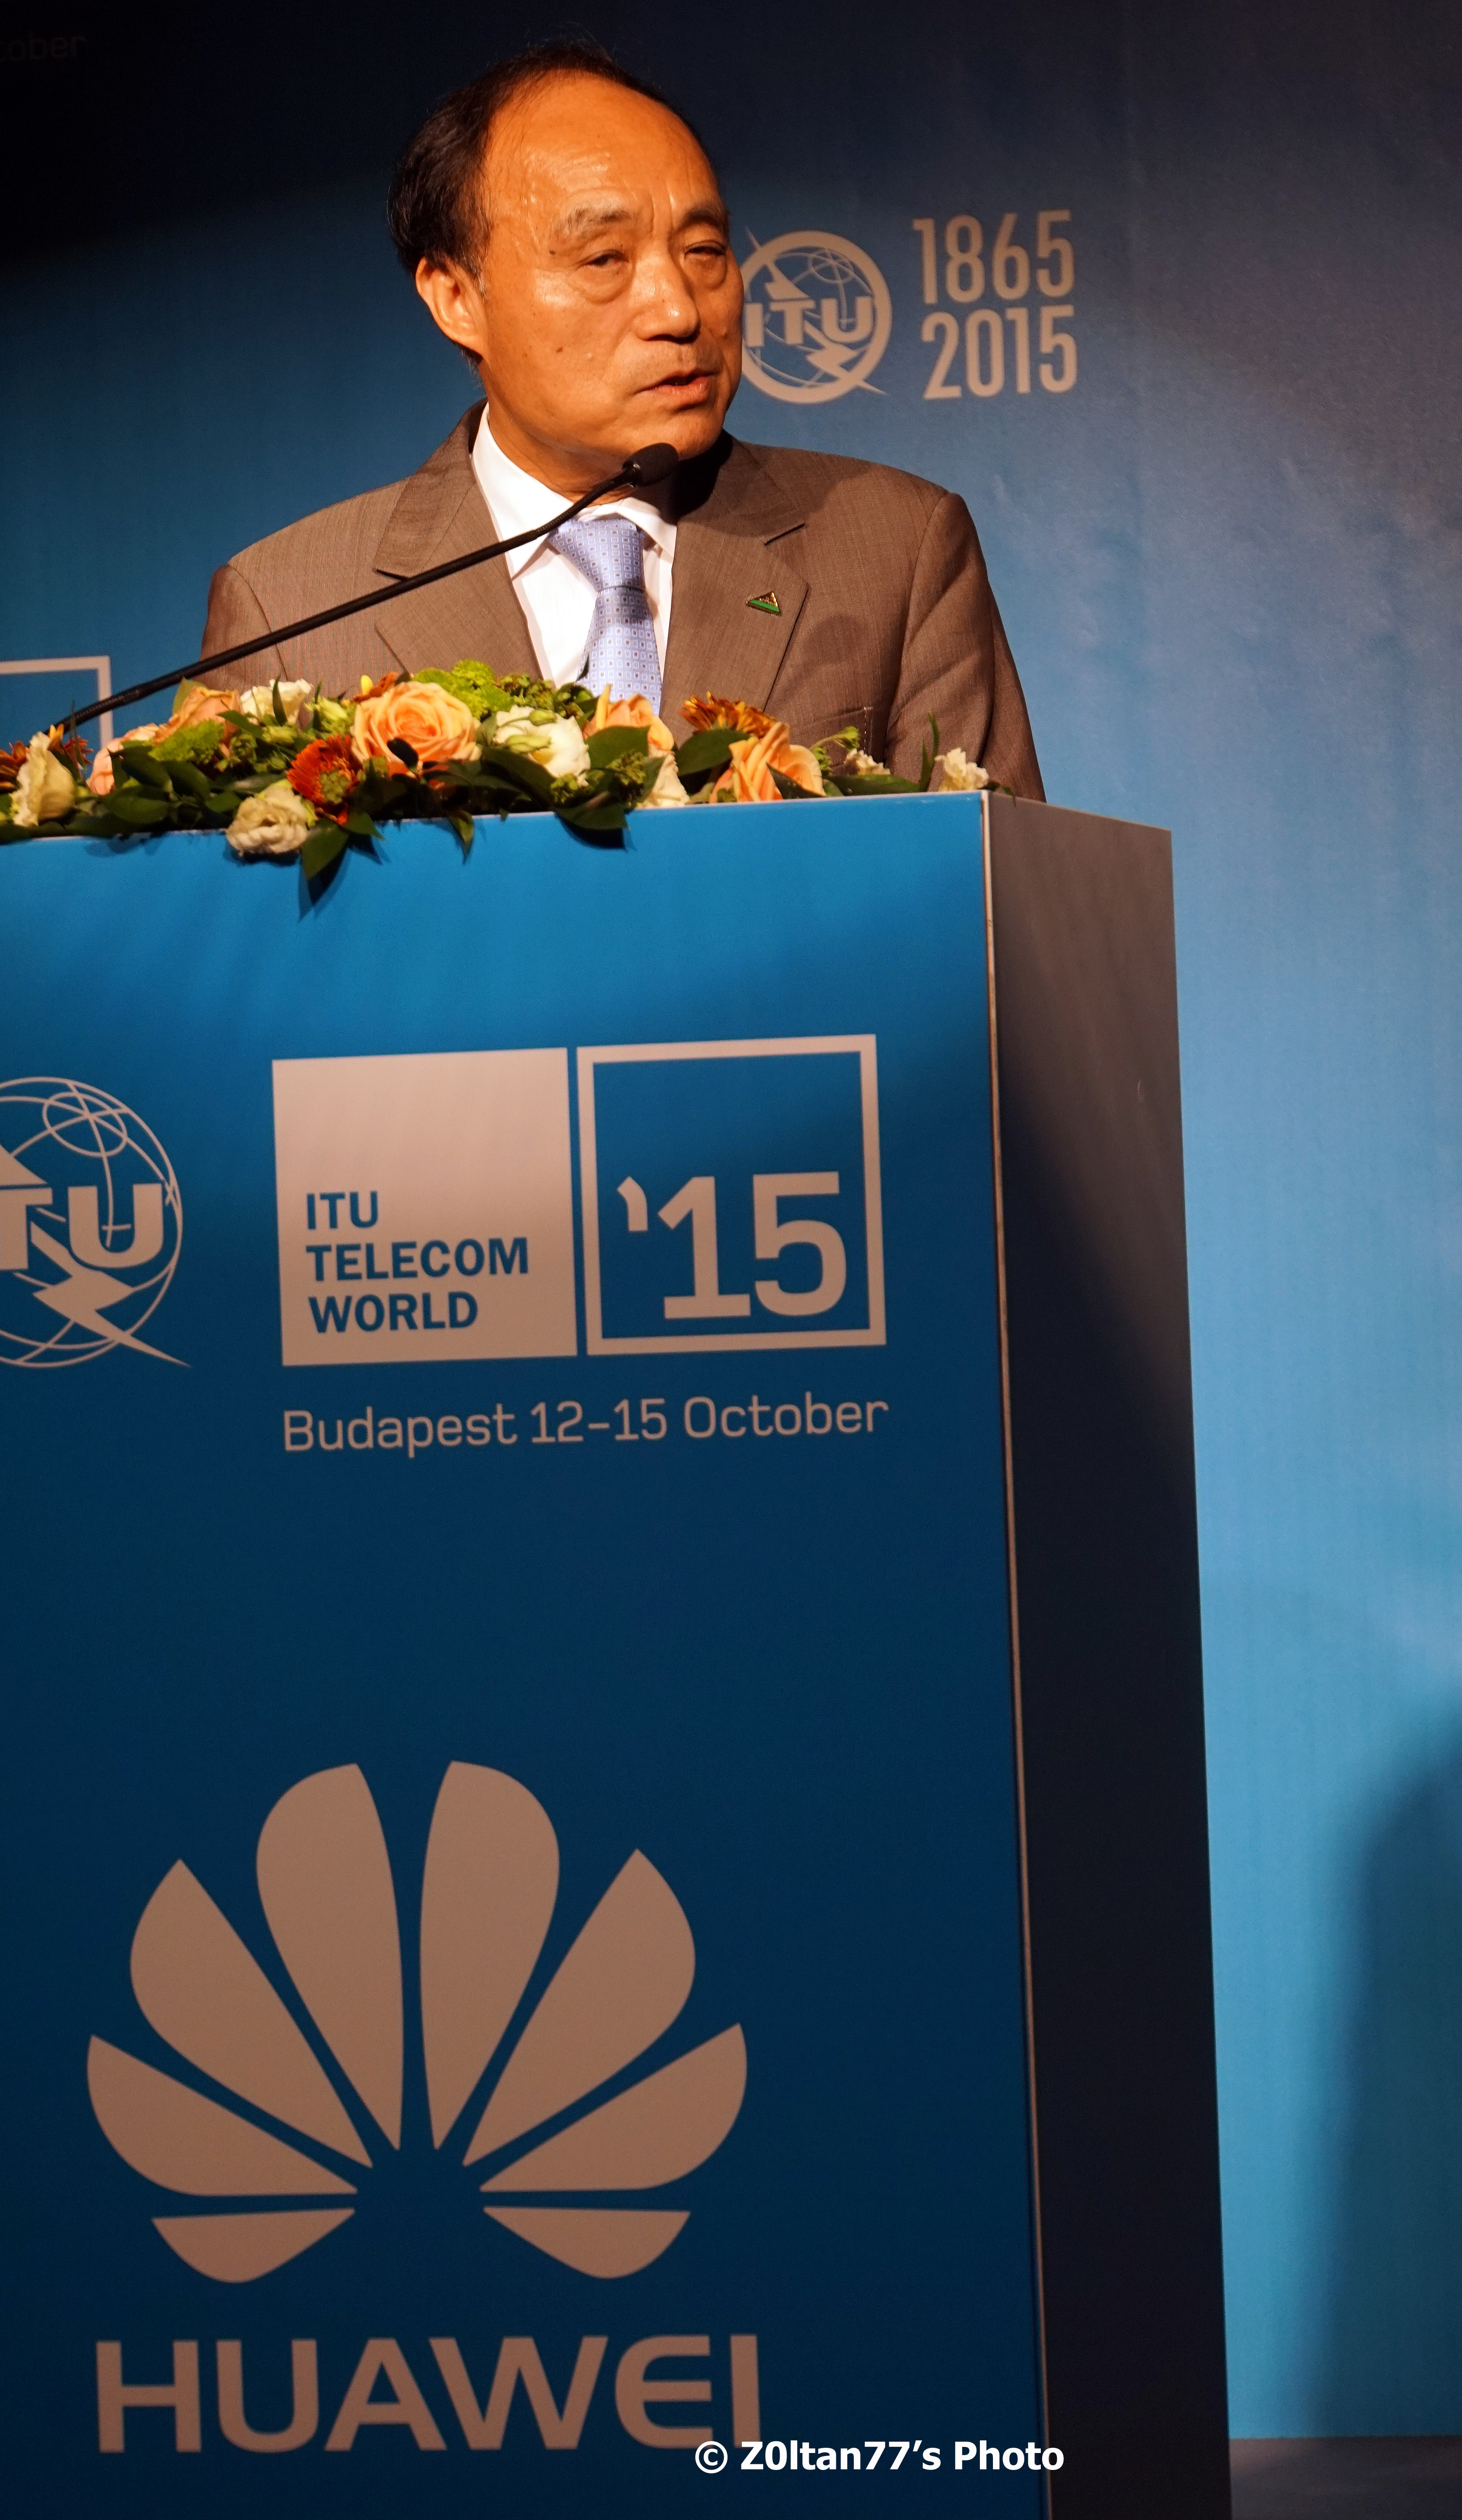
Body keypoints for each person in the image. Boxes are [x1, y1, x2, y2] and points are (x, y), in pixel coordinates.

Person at [201, 42, 1043, 795]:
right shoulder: (291, 608)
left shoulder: (895, 549)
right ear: (456, 297)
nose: (680, 310)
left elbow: (993, 890)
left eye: (704, 251)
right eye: (605, 258)